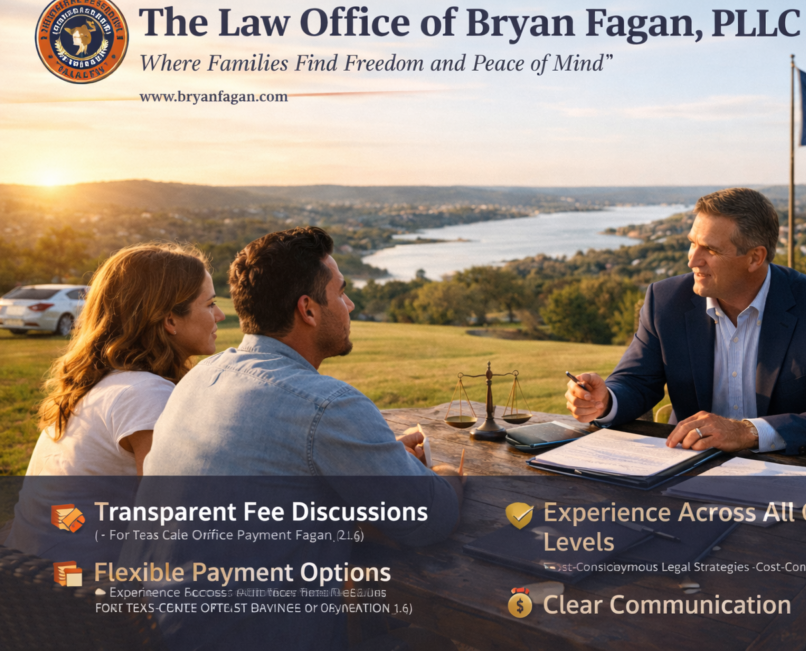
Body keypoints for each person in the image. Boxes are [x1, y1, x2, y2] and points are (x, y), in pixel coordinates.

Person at [136, 227, 462, 650]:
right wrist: (445, 472)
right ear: (308, 310)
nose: (350, 304)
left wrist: (378, 464)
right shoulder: (327, 405)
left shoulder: (201, 377)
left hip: (158, 628)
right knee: (428, 641)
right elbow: (428, 518)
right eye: (341, 292)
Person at [565, 187, 806, 455]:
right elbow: (636, 381)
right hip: (687, 469)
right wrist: (605, 401)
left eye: (710, 250)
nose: (692, 259)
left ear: (755, 258)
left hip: (791, 475)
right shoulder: (665, 301)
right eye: (692, 242)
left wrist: (748, 432)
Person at [3, 244, 225, 559]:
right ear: (170, 320)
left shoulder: (103, 382)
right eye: (210, 303)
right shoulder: (146, 395)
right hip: (77, 593)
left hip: (35, 577)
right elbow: (171, 528)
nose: (221, 314)